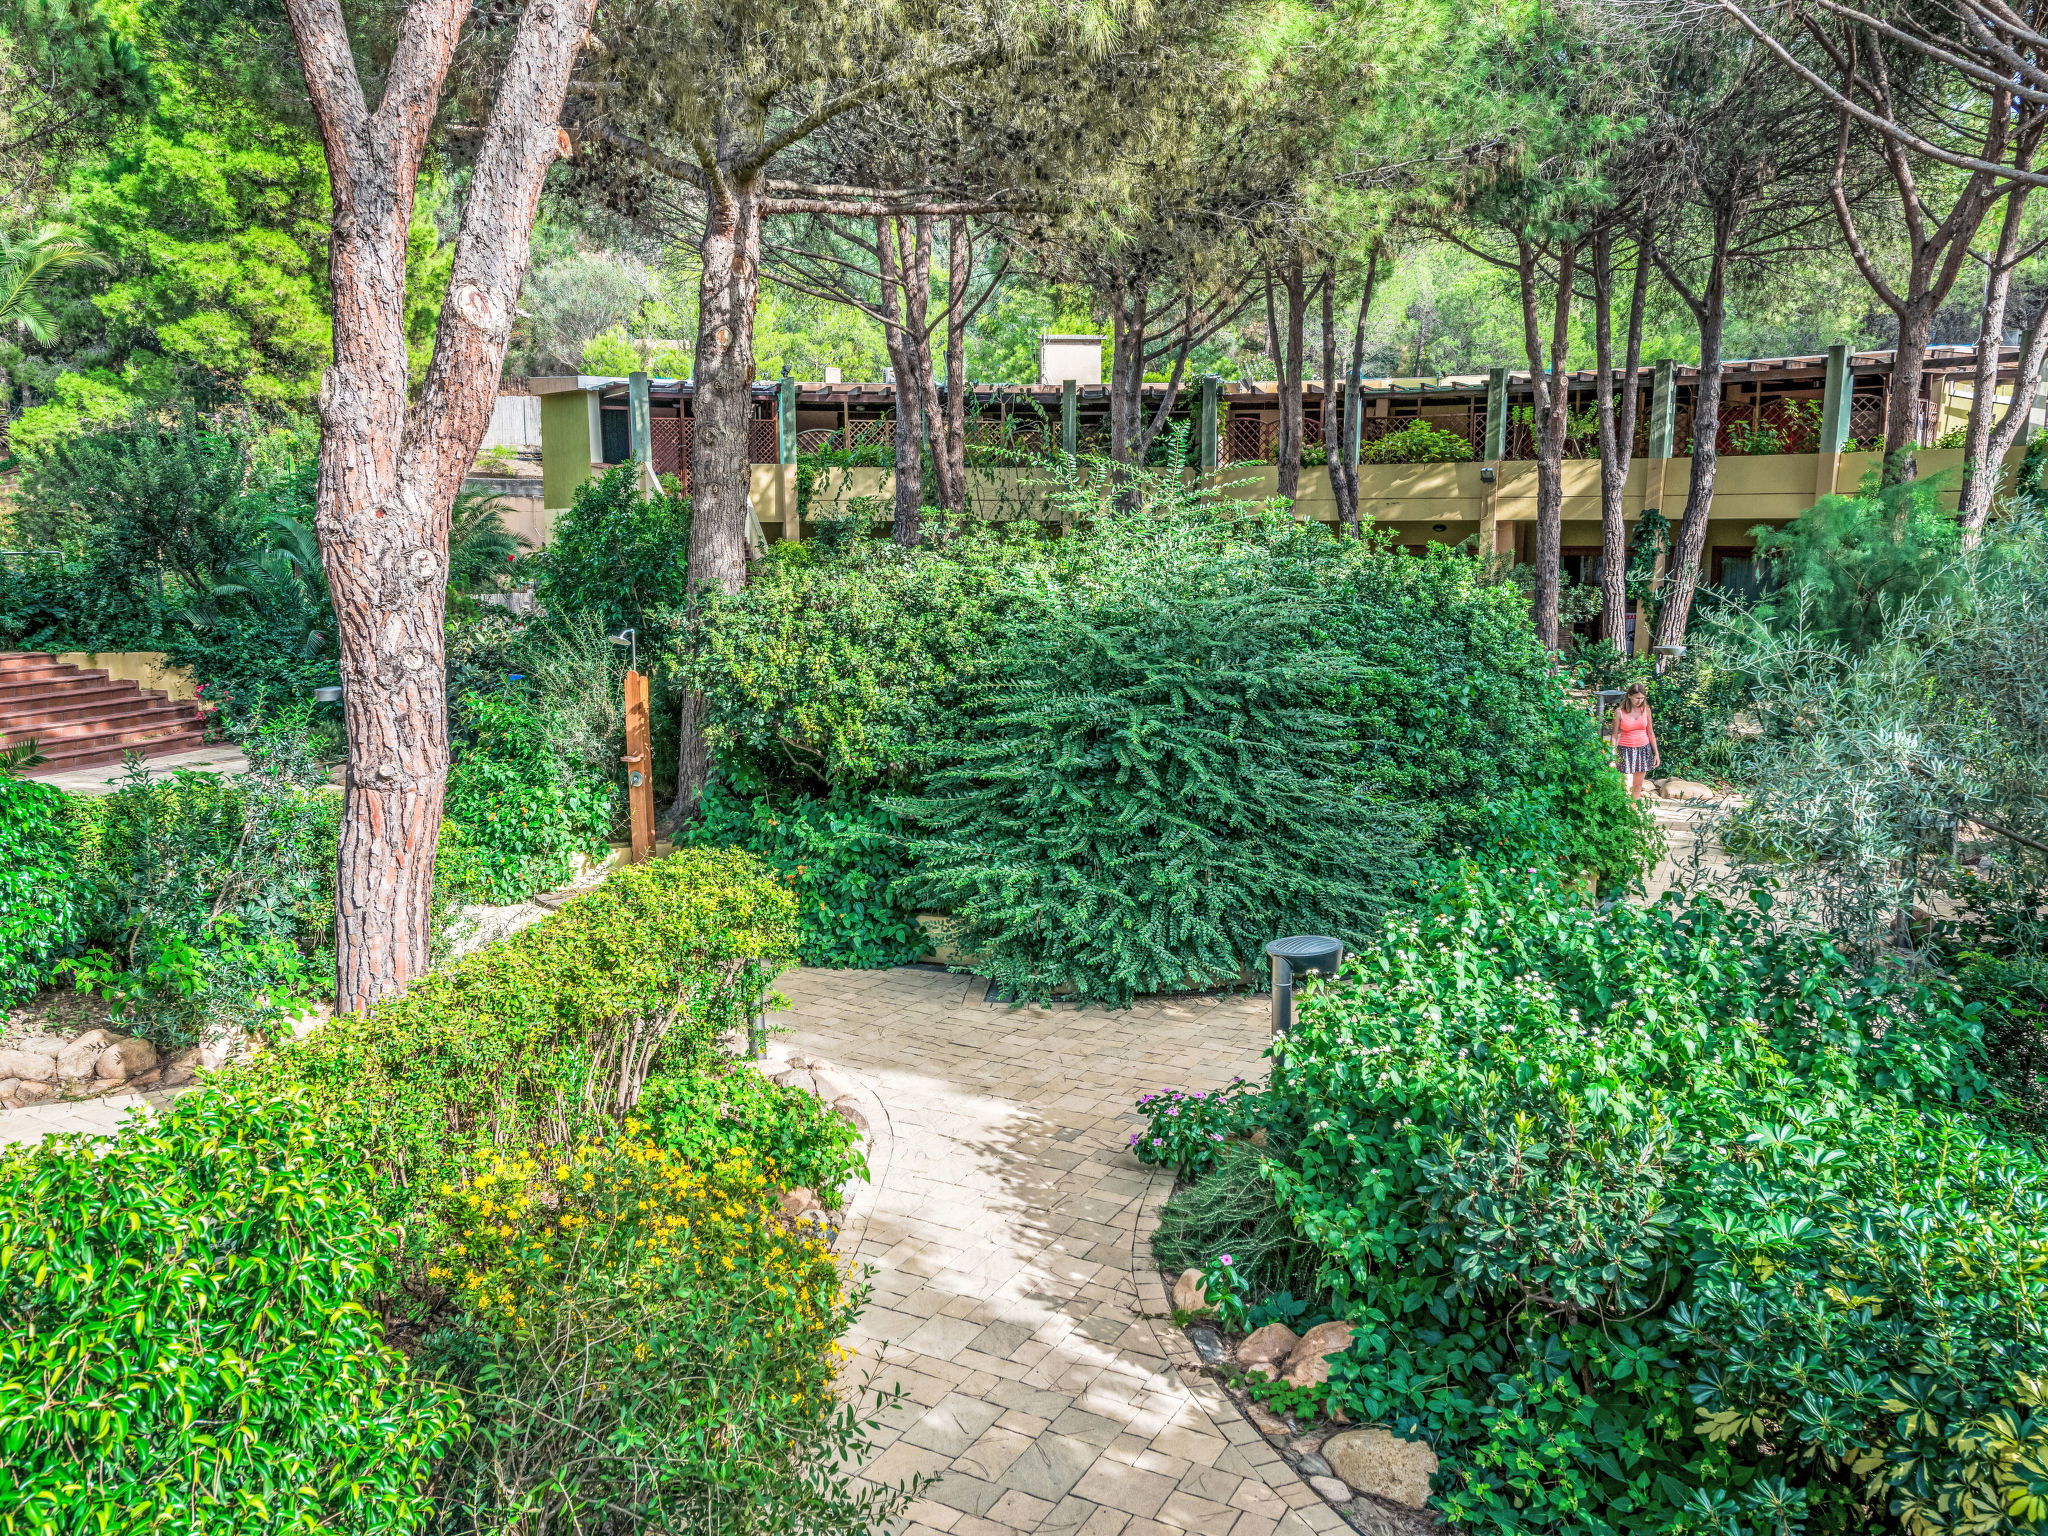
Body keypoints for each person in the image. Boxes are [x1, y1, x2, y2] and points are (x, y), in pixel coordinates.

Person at [1608, 682, 1659, 798]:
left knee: (1637, 785)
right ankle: (1624, 808)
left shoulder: (1646, 710)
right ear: (1629, 696)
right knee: (1625, 784)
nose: (1639, 701)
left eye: (1642, 698)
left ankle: (1634, 808)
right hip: (1625, 750)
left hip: (1643, 749)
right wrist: (1612, 755)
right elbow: (1614, 735)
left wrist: (1656, 753)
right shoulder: (1619, 712)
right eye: (1637, 698)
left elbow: (1650, 732)